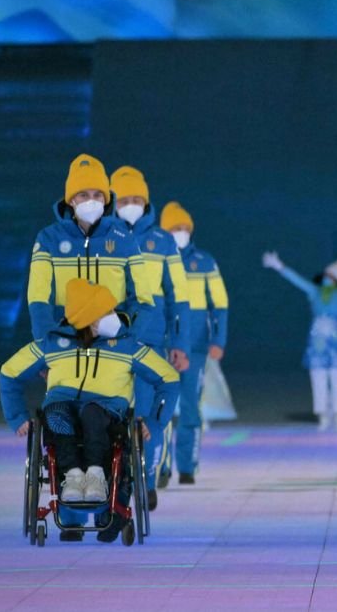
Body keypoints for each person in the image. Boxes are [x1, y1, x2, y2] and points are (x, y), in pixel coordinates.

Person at [27, 154, 156, 540]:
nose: (91, 199)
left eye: (98, 193)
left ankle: (113, 506)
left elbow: (144, 298)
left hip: (112, 347)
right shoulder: (48, 239)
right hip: (66, 349)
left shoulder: (123, 238)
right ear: (69, 199)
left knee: (106, 421)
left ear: (107, 196)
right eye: (82, 193)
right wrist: (45, 347)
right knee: (62, 417)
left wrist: (124, 323)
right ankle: (70, 512)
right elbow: (38, 299)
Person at [0, 279, 179, 541]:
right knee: (55, 413)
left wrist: (154, 422)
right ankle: (72, 477)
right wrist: (17, 417)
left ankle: (96, 477)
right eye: (106, 312)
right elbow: (9, 373)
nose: (113, 316)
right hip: (63, 412)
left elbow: (169, 379)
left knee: (92, 414)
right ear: (88, 320)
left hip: (106, 414)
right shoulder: (53, 343)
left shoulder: (126, 345)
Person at [109, 166, 192, 508]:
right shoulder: (101, 238)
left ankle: (146, 481)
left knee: (148, 416)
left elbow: (179, 297)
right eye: (124, 199)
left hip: (150, 344)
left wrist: (181, 345)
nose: (131, 205)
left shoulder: (163, 241)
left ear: (146, 202)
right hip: (109, 345)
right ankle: (111, 486)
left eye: (137, 199)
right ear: (113, 202)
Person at [264, 251, 337, 431]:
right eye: (327, 274)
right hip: (318, 343)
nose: (328, 278)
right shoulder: (315, 291)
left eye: (332, 276)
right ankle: (322, 413)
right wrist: (279, 265)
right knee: (318, 377)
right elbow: (296, 280)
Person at [160, 201, 229, 485]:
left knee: (190, 407)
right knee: (159, 407)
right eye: (175, 228)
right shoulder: (156, 258)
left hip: (197, 347)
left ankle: (187, 466)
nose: (181, 232)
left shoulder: (204, 261)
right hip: (162, 346)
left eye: (185, 228)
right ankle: (159, 466)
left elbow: (221, 304)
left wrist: (218, 340)